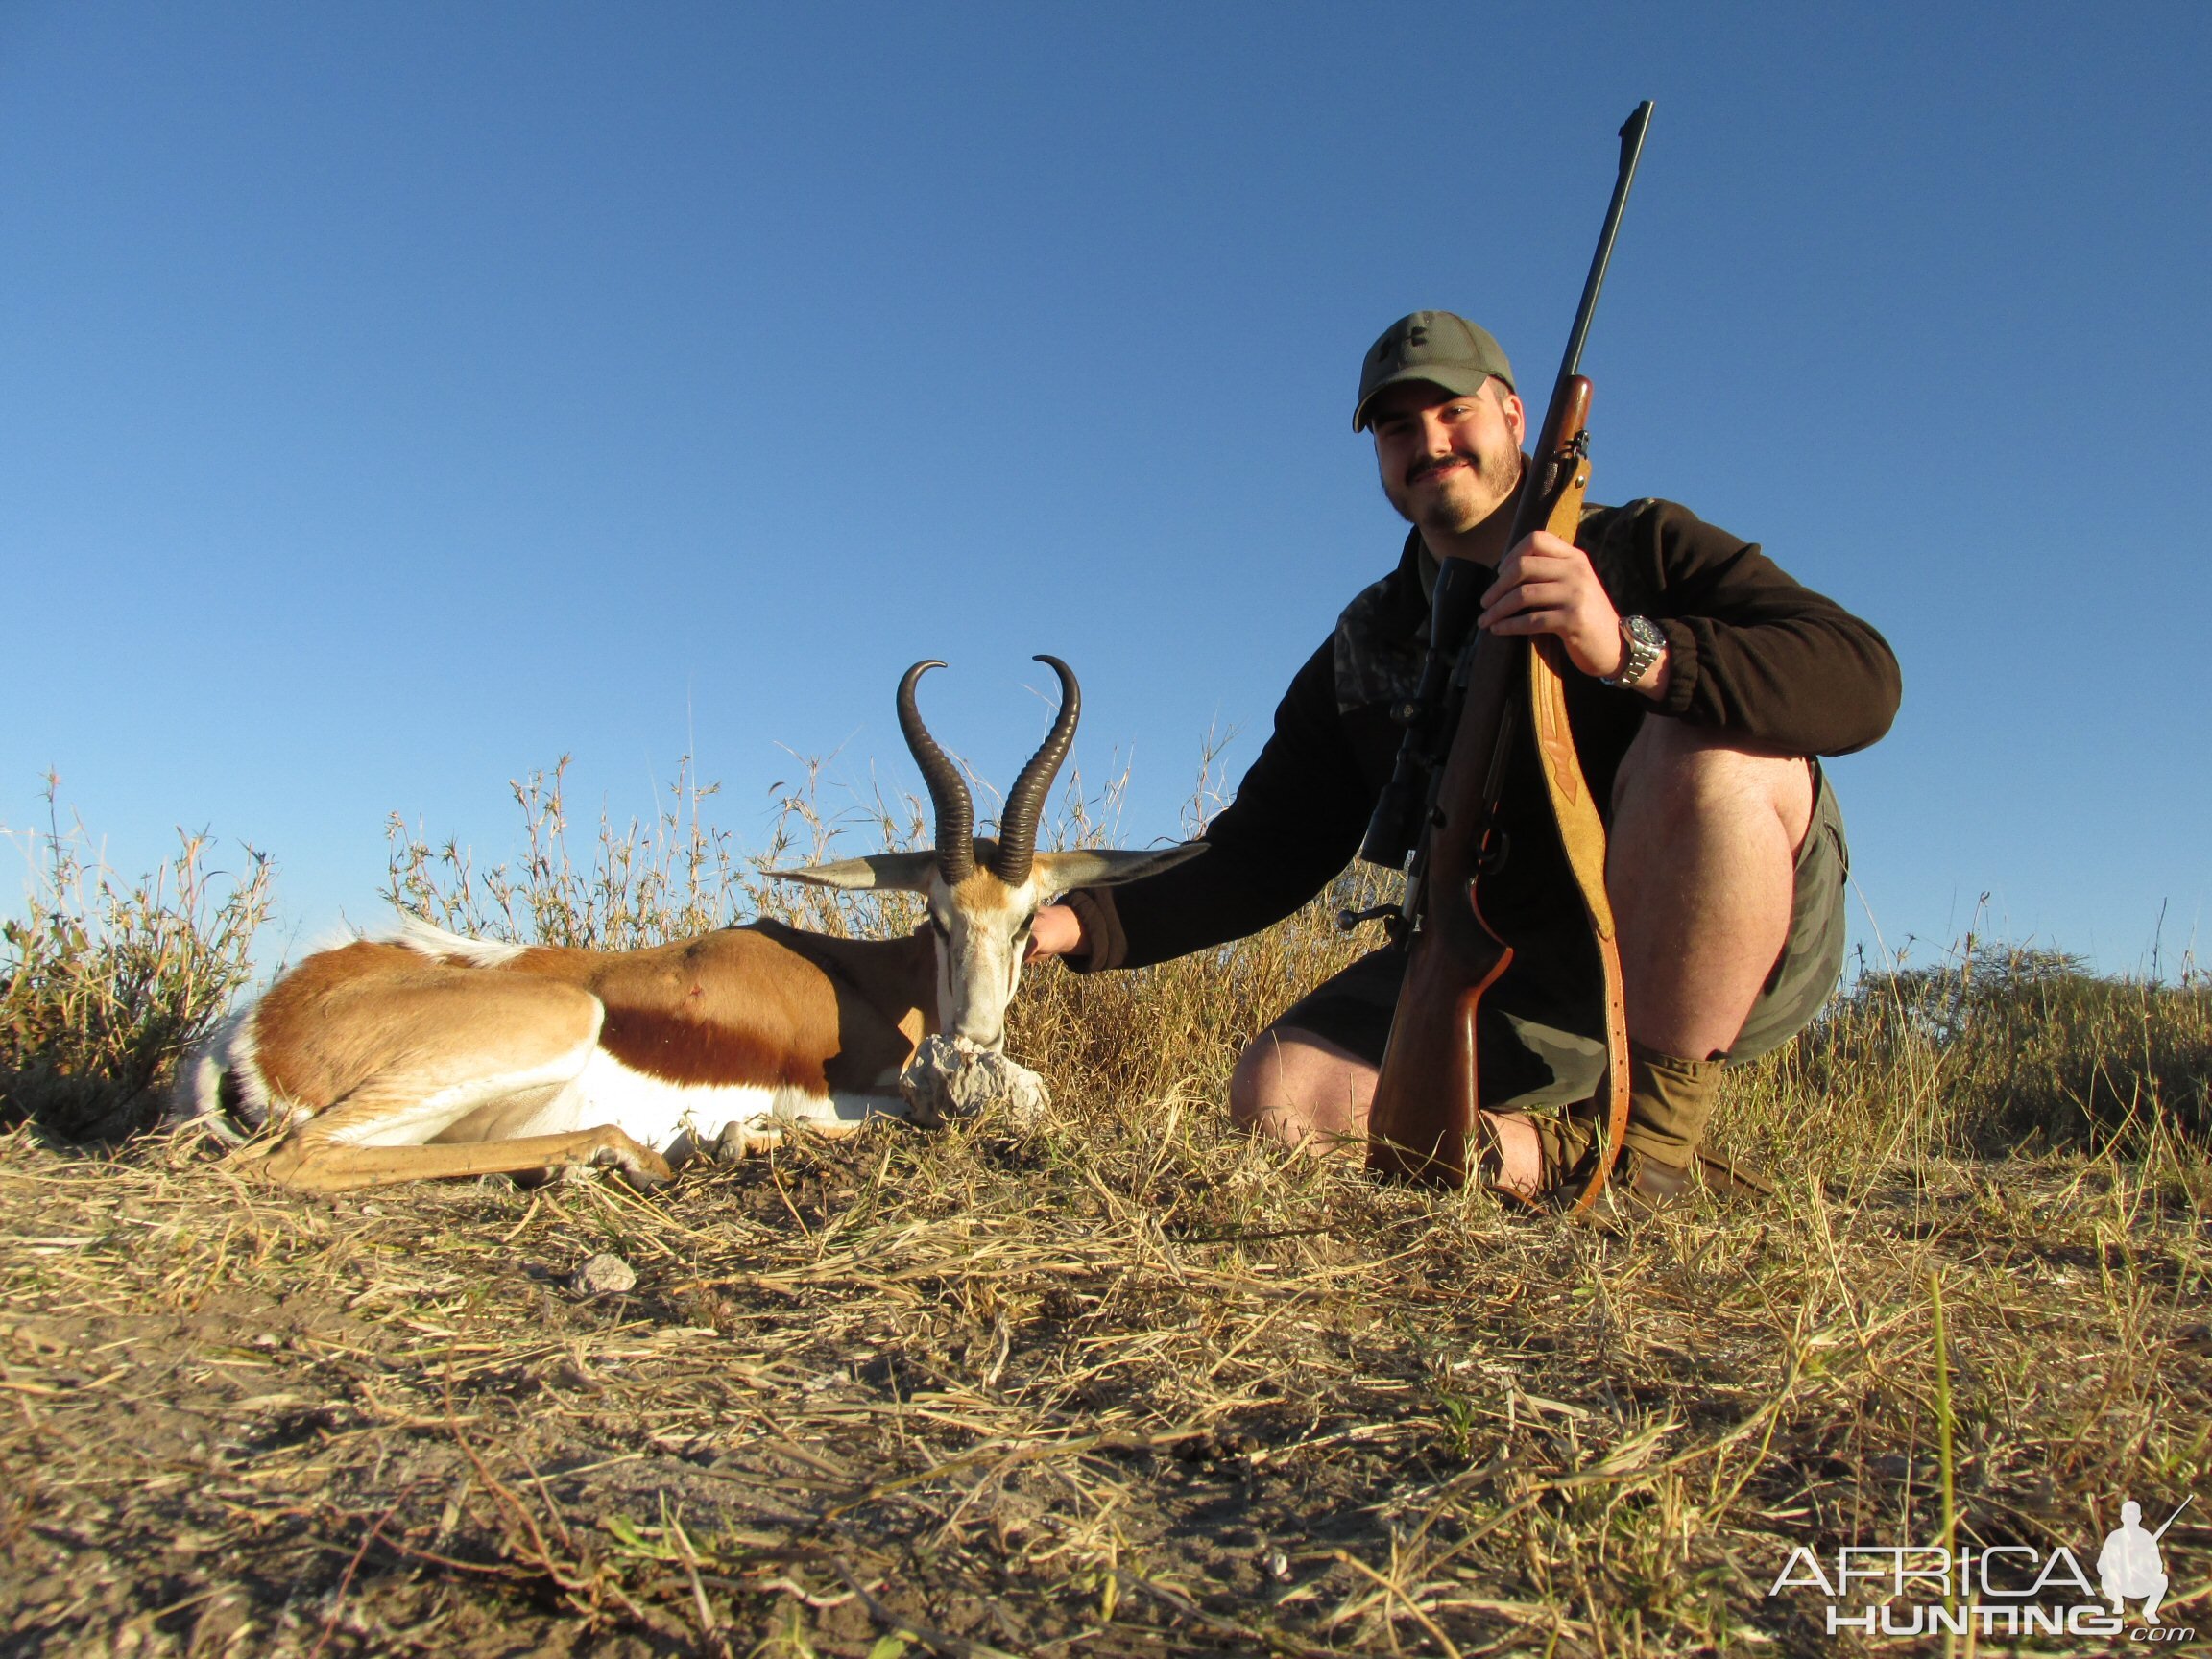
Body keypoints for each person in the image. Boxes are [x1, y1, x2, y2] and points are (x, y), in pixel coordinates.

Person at [1027, 311, 1901, 1204]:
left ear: (1516, 418)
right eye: (1397, 427)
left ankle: (1650, 1153)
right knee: (1283, 1097)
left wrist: (1635, 652)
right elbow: (1263, 853)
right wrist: (1074, 923)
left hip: (1707, 957)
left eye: (1453, 411)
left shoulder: (1643, 547)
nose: (1430, 442)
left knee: (1713, 756)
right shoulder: (1366, 642)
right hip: (1514, 960)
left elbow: (1864, 678)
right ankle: (1557, 1158)